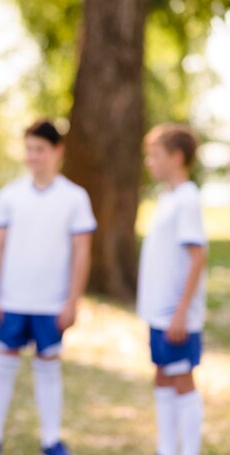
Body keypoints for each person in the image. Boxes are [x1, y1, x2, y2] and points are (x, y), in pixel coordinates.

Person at [0, 120, 96, 455]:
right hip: (12, 300)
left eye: (40, 150)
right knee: (3, 365)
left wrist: (73, 301)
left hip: (52, 303)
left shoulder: (75, 197)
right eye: (29, 149)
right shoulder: (11, 195)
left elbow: (82, 251)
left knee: (48, 368)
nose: (33, 157)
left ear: (57, 151)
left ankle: (51, 439)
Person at [138, 123, 207, 455]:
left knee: (181, 379)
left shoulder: (187, 200)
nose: (149, 161)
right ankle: (167, 449)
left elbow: (198, 257)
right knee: (163, 377)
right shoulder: (169, 198)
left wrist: (181, 312)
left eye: (155, 155)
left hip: (176, 315)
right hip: (159, 312)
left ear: (177, 157)